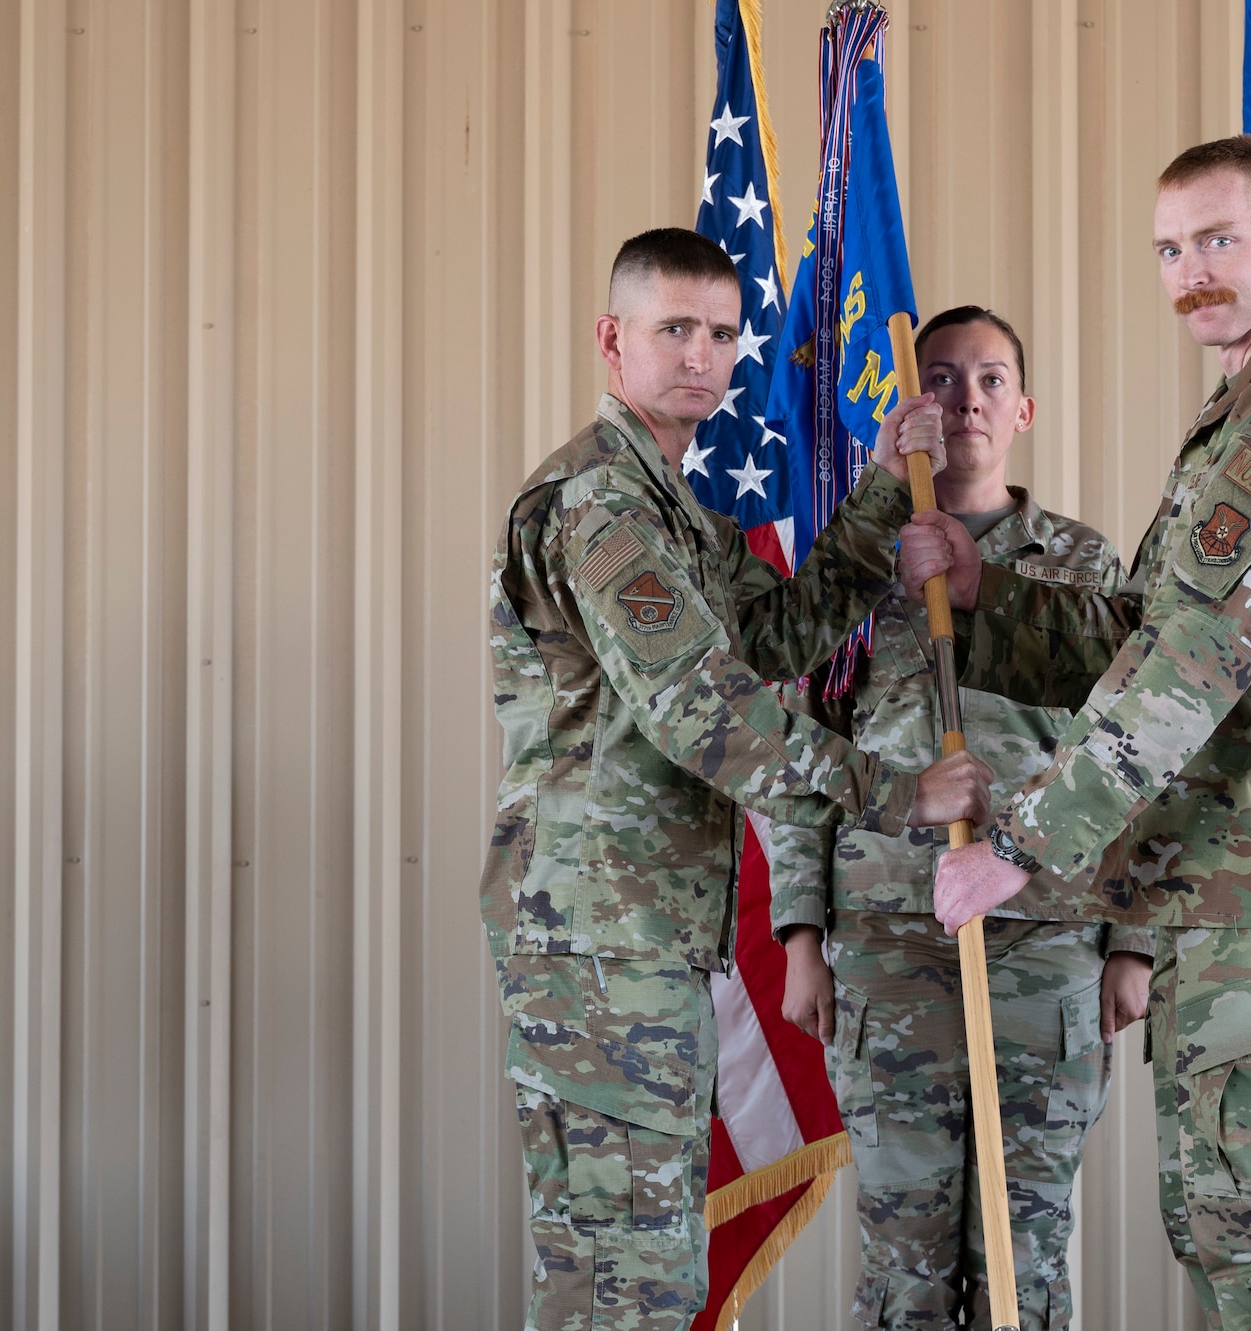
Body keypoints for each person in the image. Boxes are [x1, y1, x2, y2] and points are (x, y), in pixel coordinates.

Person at [902, 137, 1251, 1331]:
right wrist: (991, 593)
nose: (1190, 271)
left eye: (1218, 240)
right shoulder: (1238, 416)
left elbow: (1193, 665)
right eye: (1170, 249)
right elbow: (1149, 629)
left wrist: (1020, 844)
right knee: (1227, 1226)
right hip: (1226, 894)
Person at [481, 227, 993, 1331]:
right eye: (673, 330)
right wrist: (898, 793)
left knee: (637, 1266)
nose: (701, 358)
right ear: (613, 341)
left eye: (720, 333)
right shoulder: (600, 505)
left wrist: (874, 501)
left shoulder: (666, 502)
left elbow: (769, 634)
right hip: (600, 938)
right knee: (627, 1277)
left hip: (641, 929)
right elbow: (701, 710)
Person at [766, 306, 1155, 1331]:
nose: (964, 399)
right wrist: (801, 937)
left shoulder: (1080, 564)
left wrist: (1134, 941)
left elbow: (1140, 750)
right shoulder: (856, 571)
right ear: (909, 410)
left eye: (988, 380)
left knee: (1020, 1248)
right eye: (939, 379)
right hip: (888, 944)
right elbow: (801, 759)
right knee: (905, 1251)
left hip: (1048, 940)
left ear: (1021, 409)